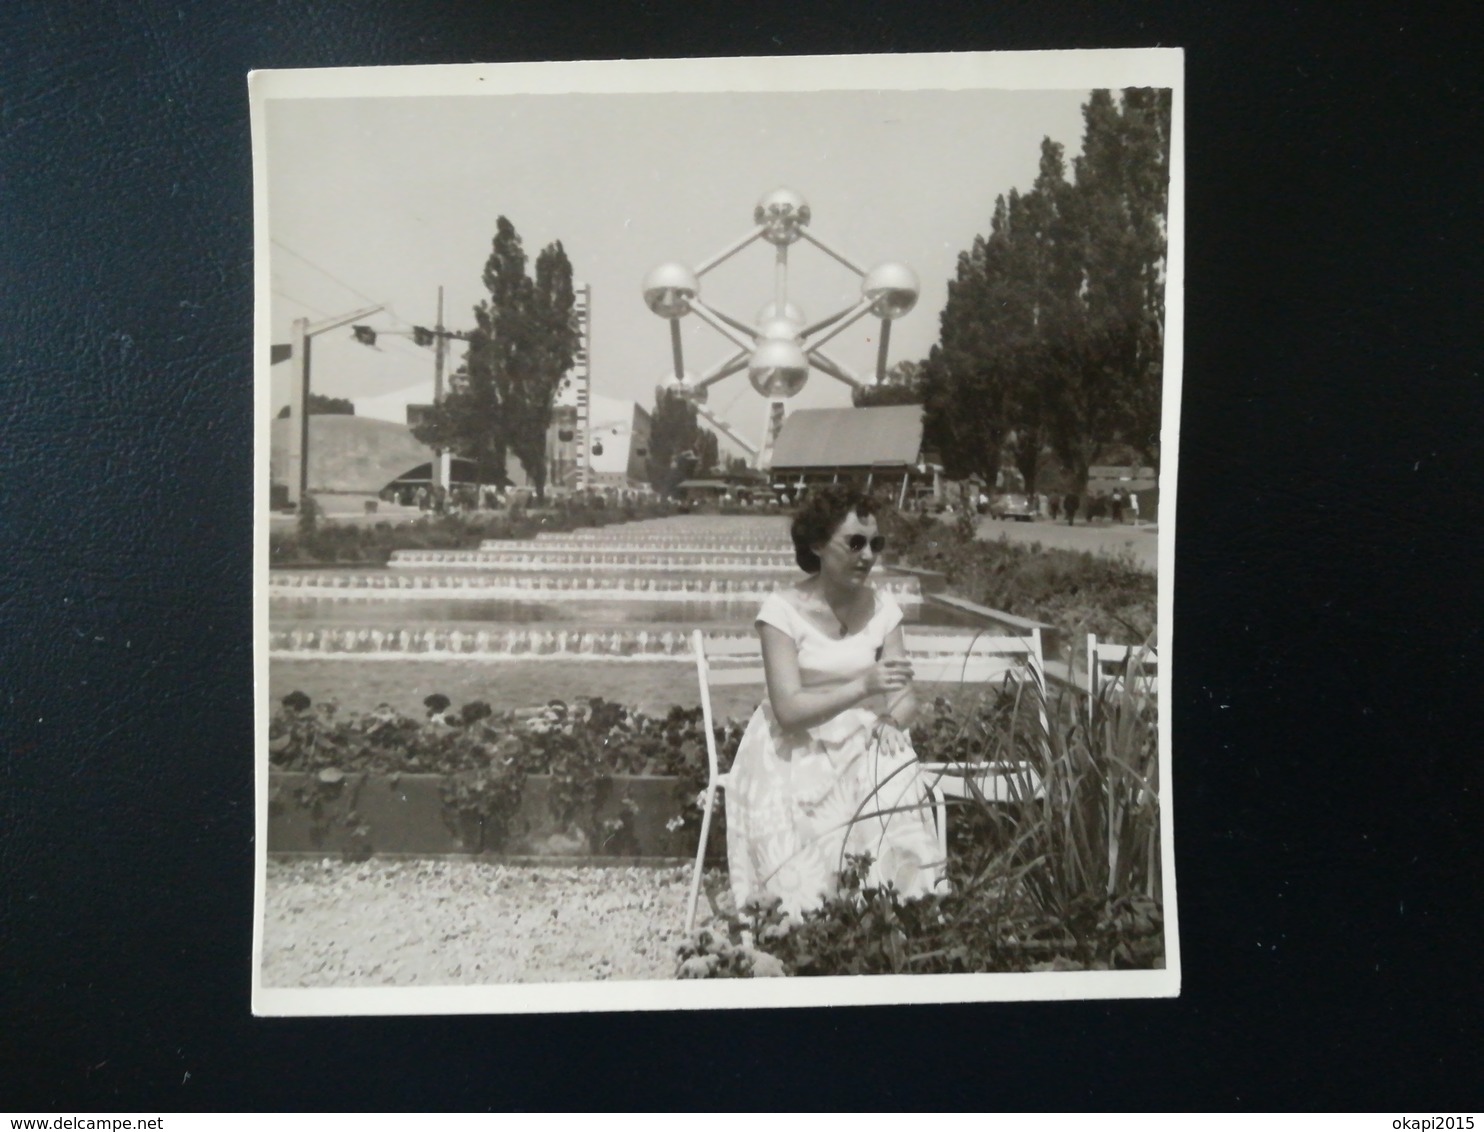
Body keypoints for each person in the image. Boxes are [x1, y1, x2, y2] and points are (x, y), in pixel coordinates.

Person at [725, 485, 944, 919]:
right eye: (855, 543)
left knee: (893, 772)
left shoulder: (884, 609)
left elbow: (904, 698)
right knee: (814, 792)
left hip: (861, 737)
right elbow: (787, 711)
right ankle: (803, 918)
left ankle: (895, 911)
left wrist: (891, 721)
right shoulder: (781, 612)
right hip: (794, 741)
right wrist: (863, 688)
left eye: (875, 544)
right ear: (817, 545)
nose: (868, 556)